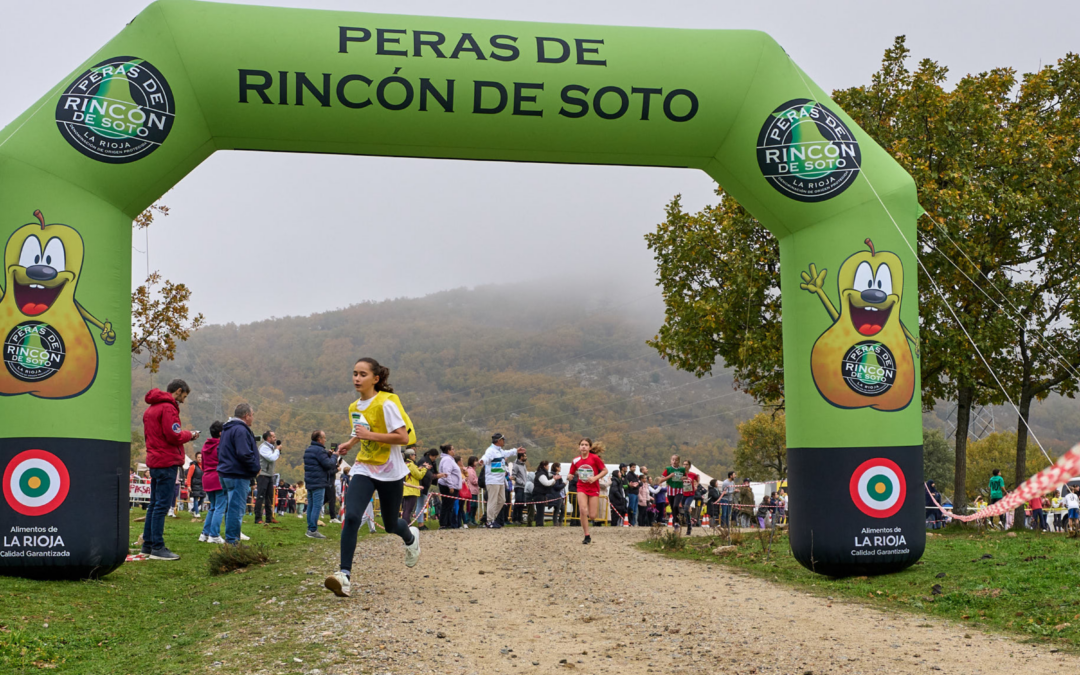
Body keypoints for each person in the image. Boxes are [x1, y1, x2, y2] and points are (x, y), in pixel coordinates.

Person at [326, 358, 421, 598]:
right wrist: (351, 442)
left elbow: (402, 438)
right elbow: (362, 429)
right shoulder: (354, 407)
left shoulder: (386, 403)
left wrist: (370, 434)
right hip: (365, 467)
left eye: (363, 374)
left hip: (390, 471)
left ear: (376, 378)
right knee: (353, 516)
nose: (357, 378)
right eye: (354, 373)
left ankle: (410, 537)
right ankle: (344, 576)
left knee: (391, 525)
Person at [141, 379, 199, 561]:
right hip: (167, 461)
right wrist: (190, 435)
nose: (183, 400)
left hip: (155, 460)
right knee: (162, 505)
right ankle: (158, 547)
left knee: (153, 504)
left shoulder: (150, 409)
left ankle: (147, 545)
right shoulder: (168, 408)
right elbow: (173, 435)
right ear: (179, 391)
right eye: (184, 396)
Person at [217, 403, 261, 546]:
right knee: (237, 509)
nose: (253, 418)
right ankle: (232, 541)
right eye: (252, 415)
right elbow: (244, 453)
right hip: (237, 474)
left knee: (231, 508)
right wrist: (255, 468)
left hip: (226, 472)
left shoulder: (227, 429)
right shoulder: (241, 430)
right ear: (246, 415)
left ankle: (232, 538)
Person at [569, 438, 608, 544]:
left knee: (592, 515)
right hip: (581, 487)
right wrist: (569, 476)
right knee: (582, 509)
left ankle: (589, 524)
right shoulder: (576, 460)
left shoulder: (595, 458)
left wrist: (595, 478)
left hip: (593, 487)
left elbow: (605, 470)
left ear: (590, 447)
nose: (584, 446)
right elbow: (571, 473)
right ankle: (587, 535)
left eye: (586, 445)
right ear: (579, 447)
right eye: (582, 444)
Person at [481, 433, 522, 529]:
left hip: (500, 480)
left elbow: (507, 453)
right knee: (492, 500)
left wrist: (516, 450)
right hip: (492, 480)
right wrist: (482, 461)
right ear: (498, 441)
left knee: (502, 500)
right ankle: (489, 521)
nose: (504, 441)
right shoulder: (490, 450)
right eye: (503, 439)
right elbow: (486, 457)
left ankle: (491, 518)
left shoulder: (499, 451)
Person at [303, 430, 336, 539]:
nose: (325, 440)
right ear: (319, 439)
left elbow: (317, 461)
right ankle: (313, 530)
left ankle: (309, 528)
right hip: (319, 482)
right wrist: (334, 457)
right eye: (324, 438)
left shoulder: (308, 450)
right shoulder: (320, 451)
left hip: (310, 481)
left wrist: (327, 454)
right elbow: (328, 464)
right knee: (317, 505)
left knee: (311, 506)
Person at [199, 421, 226, 544]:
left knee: (213, 507)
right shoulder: (221, 446)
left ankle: (205, 534)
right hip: (218, 477)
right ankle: (214, 535)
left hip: (207, 477)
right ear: (221, 433)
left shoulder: (206, 446)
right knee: (220, 507)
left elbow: (203, 464)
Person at [255, 431, 280, 524]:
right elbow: (271, 458)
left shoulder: (270, 447)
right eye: (273, 437)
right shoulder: (264, 448)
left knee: (269, 498)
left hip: (269, 475)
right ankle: (258, 518)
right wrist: (277, 450)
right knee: (260, 497)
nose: (275, 438)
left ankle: (269, 517)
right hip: (263, 475)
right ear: (268, 438)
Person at [438, 444, 462, 529]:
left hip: (452, 486)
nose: (454, 451)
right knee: (446, 505)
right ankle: (443, 523)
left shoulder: (450, 460)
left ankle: (448, 523)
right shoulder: (447, 460)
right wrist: (451, 486)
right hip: (447, 486)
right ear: (448, 451)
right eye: (452, 449)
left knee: (449, 506)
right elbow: (446, 473)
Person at [402, 448, 426, 528]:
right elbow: (418, 476)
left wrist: (420, 468)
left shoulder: (405, 463)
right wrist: (425, 469)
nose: (415, 456)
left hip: (406, 489)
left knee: (406, 509)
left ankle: (406, 524)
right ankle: (407, 525)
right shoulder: (411, 464)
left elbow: (413, 472)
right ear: (410, 455)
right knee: (409, 509)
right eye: (414, 455)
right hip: (411, 489)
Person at [511, 450, 529, 524]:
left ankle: (520, 518)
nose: (526, 457)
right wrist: (521, 482)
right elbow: (514, 476)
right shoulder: (516, 465)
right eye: (524, 456)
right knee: (518, 503)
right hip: (518, 487)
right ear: (521, 457)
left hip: (524, 487)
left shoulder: (523, 465)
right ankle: (515, 519)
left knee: (522, 503)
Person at [464, 456, 480, 525]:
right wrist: (479, 480)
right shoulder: (470, 470)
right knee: (471, 506)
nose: (476, 462)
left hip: (474, 490)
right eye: (475, 461)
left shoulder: (473, 470)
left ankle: (473, 519)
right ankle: (468, 519)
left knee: (475, 506)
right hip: (471, 490)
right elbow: (473, 481)